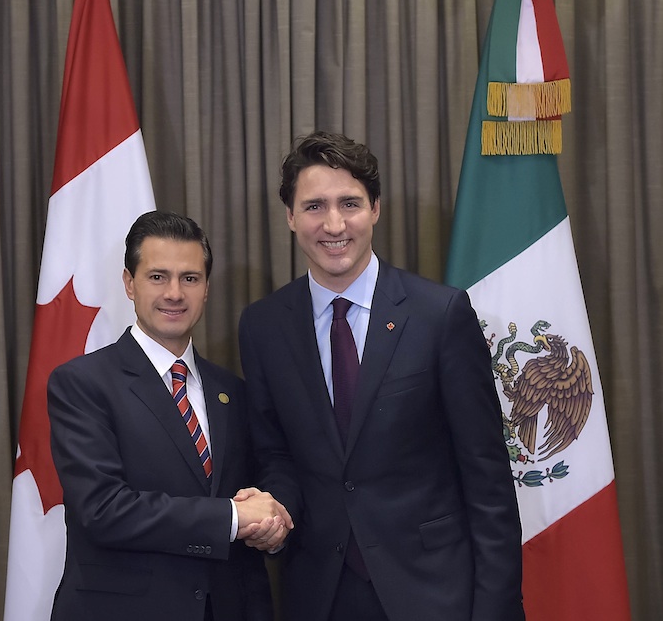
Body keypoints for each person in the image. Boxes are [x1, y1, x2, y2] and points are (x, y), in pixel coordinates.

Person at [238, 132, 525, 621]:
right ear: (290, 217)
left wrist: (495, 610)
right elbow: (276, 455)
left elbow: (488, 482)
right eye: (314, 206)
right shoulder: (263, 326)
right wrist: (273, 507)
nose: (333, 224)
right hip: (320, 594)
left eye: (349, 203)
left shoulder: (440, 315)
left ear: (375, 209)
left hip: (435, 592)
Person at [48, 210, 292, 621]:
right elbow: (103, 510)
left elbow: (268, 474)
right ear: (130, 284)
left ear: (207, 288)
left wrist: (274, 518)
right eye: (158, 277)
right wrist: (232, 517)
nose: (175, 293)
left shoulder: (232, 390)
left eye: (190, 278)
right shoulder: (82, 384)